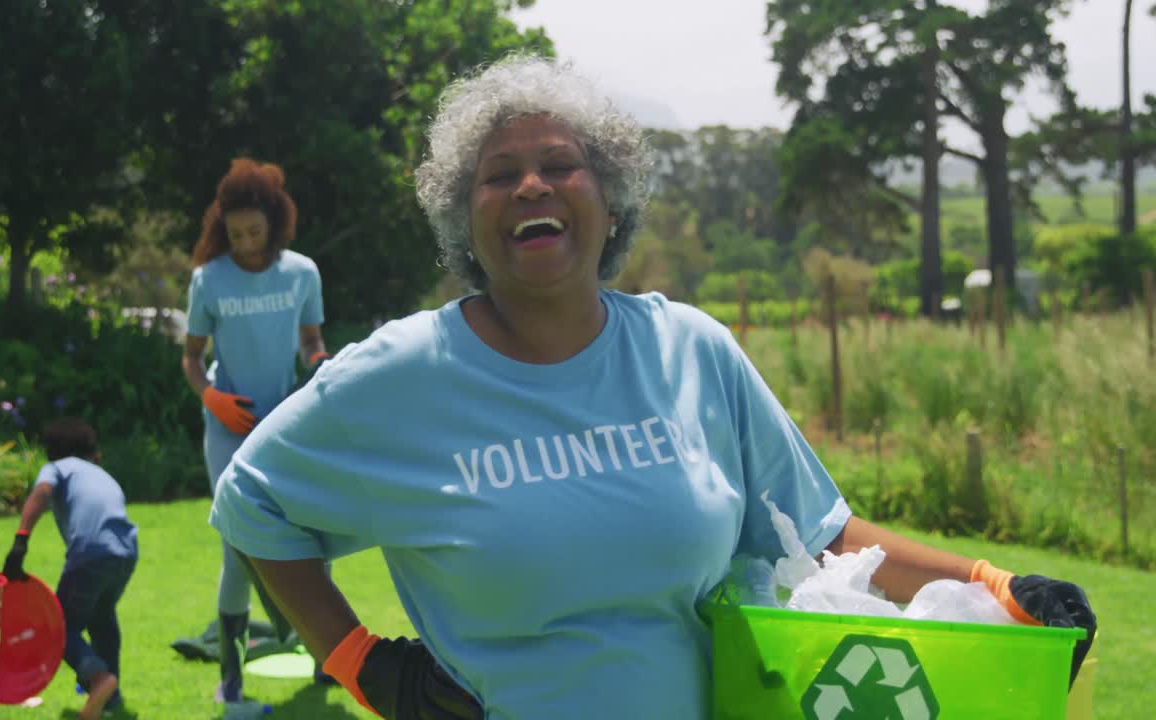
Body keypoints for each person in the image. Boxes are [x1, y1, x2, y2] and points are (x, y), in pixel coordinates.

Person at [208, 55, 1096, 720]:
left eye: (560, 164)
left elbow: (823, 535)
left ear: (610, 197)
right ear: (462, 218)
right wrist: (364, 663)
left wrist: (996, 580)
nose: (530, 186)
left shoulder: (692, 349)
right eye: (496, 175)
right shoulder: (402, 376)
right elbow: (252, 499)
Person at [181, 157, 332, 713]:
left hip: (285, 424)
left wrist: (319, 361)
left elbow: (311, 341)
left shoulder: (302, 273)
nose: (244, 243)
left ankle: (325, 661)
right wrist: (212, 398)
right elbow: (192, 360)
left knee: (312, 533)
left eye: (254, 231)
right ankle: (232, 682)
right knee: (238, 546)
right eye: (234, 233)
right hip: (228, 428)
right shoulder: (209, 279)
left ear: (274, 221)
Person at [2, 417, 139, 720]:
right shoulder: (103, 474)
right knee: (102, 619)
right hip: (127, 552)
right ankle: (111, 699)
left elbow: (41, 493)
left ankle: (98, 679)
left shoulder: (58, 467)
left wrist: (21, 541)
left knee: (59, 628)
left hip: (90, 552)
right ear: (94, 454)